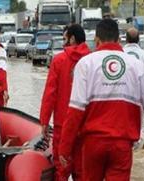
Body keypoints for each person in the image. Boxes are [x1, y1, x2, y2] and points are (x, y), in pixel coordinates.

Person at [58, 19, 144, 181]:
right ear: (119, 40)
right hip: (122, 146)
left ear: (97, 40)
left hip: (92, 145)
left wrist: (65, 147)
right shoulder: (137, 65)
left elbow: (75, 111)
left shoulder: (85, 64)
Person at [39, 24, 90, 181]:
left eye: (64, 39)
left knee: (61, 172)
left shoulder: (59, 60)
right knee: (83, 174)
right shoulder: (92, 61)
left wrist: (44, 122)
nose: (63, 43)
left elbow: (50, 94)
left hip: (63, 127)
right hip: (87, 128)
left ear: (72, 38)